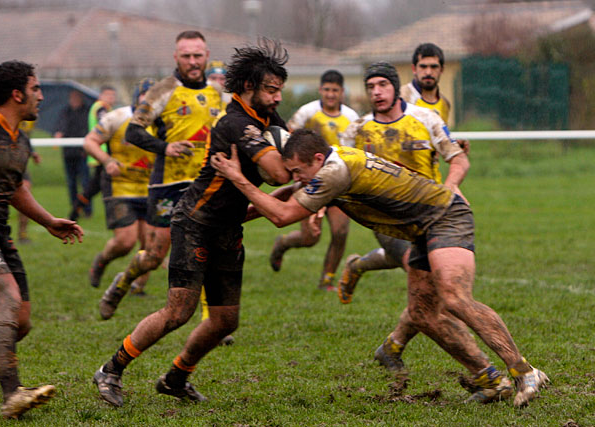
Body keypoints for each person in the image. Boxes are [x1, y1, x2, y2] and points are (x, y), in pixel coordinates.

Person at [212, 127, 548, 408]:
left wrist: (237, 177)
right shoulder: (331, 161)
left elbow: (282, 215)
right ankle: (489, 381)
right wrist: (224, 219)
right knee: (421, 313)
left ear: (316, 159)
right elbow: (288, 195)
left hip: (446, 216)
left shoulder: (334, 172)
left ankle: (523, 370)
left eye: (298, 170)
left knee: (455, 298)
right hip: (420, 229)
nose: (296, 178)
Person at [92, 38, 290, 407]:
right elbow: (278, 173)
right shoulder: (236, 123)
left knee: (225, 320)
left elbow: (292, 150)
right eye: (271, 90)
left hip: (228, 226)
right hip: (196, 220)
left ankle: (176, 377)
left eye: (280, 91)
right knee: (178, 311)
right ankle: (111, 369)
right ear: (249, 87)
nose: (278, 98)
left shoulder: (268, 119)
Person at [0, 60, 83, 419]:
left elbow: (12, 189)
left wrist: (47, 221)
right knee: (7, 300)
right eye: (37, 89)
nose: (41, 96)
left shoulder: (21, 140)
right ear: (17, 94)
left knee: (20, 321)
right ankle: (12, 393)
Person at [337, 53, 463, 375]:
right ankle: (479, 371)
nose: (376, 92)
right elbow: (335, 173)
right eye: (371, 87)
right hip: (387, 221)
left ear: (395, 88)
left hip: (429, 215)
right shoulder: (357, 130)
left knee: (425, 293)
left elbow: (458, 160)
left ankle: (390, 345)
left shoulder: (427, 118)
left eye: (382, 85)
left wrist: (449, 188)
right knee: (428, 285)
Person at [97, 30, 222, 320]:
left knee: (207, 247)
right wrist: (166, 147)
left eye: (198, 55)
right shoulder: (161, 91)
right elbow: (133, 131)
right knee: (154, 256)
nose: (193, 61)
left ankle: (209, 318)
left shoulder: (217, 94)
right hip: (168, 184)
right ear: (176, 57)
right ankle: (123, 282)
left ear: (206, 56)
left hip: (204, 182)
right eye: (186, 56)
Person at [269, 69, 359, 290]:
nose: (330, 95)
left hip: (338, 182)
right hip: (308, 182)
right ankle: (283, 243)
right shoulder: (306, 113)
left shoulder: (352, 118)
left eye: (335, 90)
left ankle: (327, 279)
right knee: (310, 238)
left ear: (342, 92)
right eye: (326, 90)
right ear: (320, 90)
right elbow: (289, 142)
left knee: (340, 232)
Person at [84, 79, 155, 289]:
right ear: (137, 98)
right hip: (120, 185)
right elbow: (90, 141)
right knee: (126, 242)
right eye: (146, 97)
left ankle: (134, 285)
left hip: (152, 188)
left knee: (150, 245)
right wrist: (106, 161)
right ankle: (102, 261)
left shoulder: (165, 122)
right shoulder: (117, 117)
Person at [69, 85, 118, 221]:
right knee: (105, 186)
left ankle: (75, 211)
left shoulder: (106, 109)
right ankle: (113, 215)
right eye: (108, 95)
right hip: (102, 155)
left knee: (93, 187)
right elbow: (106, 124)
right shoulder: (101, 108)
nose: (111, 98)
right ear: (100, 96)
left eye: (113, 95)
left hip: (100, 155)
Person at [54, 90, 90, 218]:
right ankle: (75, 208)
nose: (74, 99)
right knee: (71, 183)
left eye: (76, 97)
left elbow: (88, 129)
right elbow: (59, 126)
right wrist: (58, 133)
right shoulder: (65, 111)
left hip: (82, 152)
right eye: (72, 97)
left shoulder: (87, 111)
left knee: (85, 182)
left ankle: (87, 209)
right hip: (68, 153)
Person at [400, 43, 450, 123]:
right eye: (423, 67)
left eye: (434, 67)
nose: (428, 72)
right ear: (414, 69)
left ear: (442, 69)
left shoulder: (445, 103)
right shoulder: (401, 98)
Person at [16, 120, 42, 244]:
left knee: (25, 196)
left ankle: (23, 233)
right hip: (4, 161)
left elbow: (25, 137)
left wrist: (32, 152)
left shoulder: (31, 117)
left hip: (21, 165)